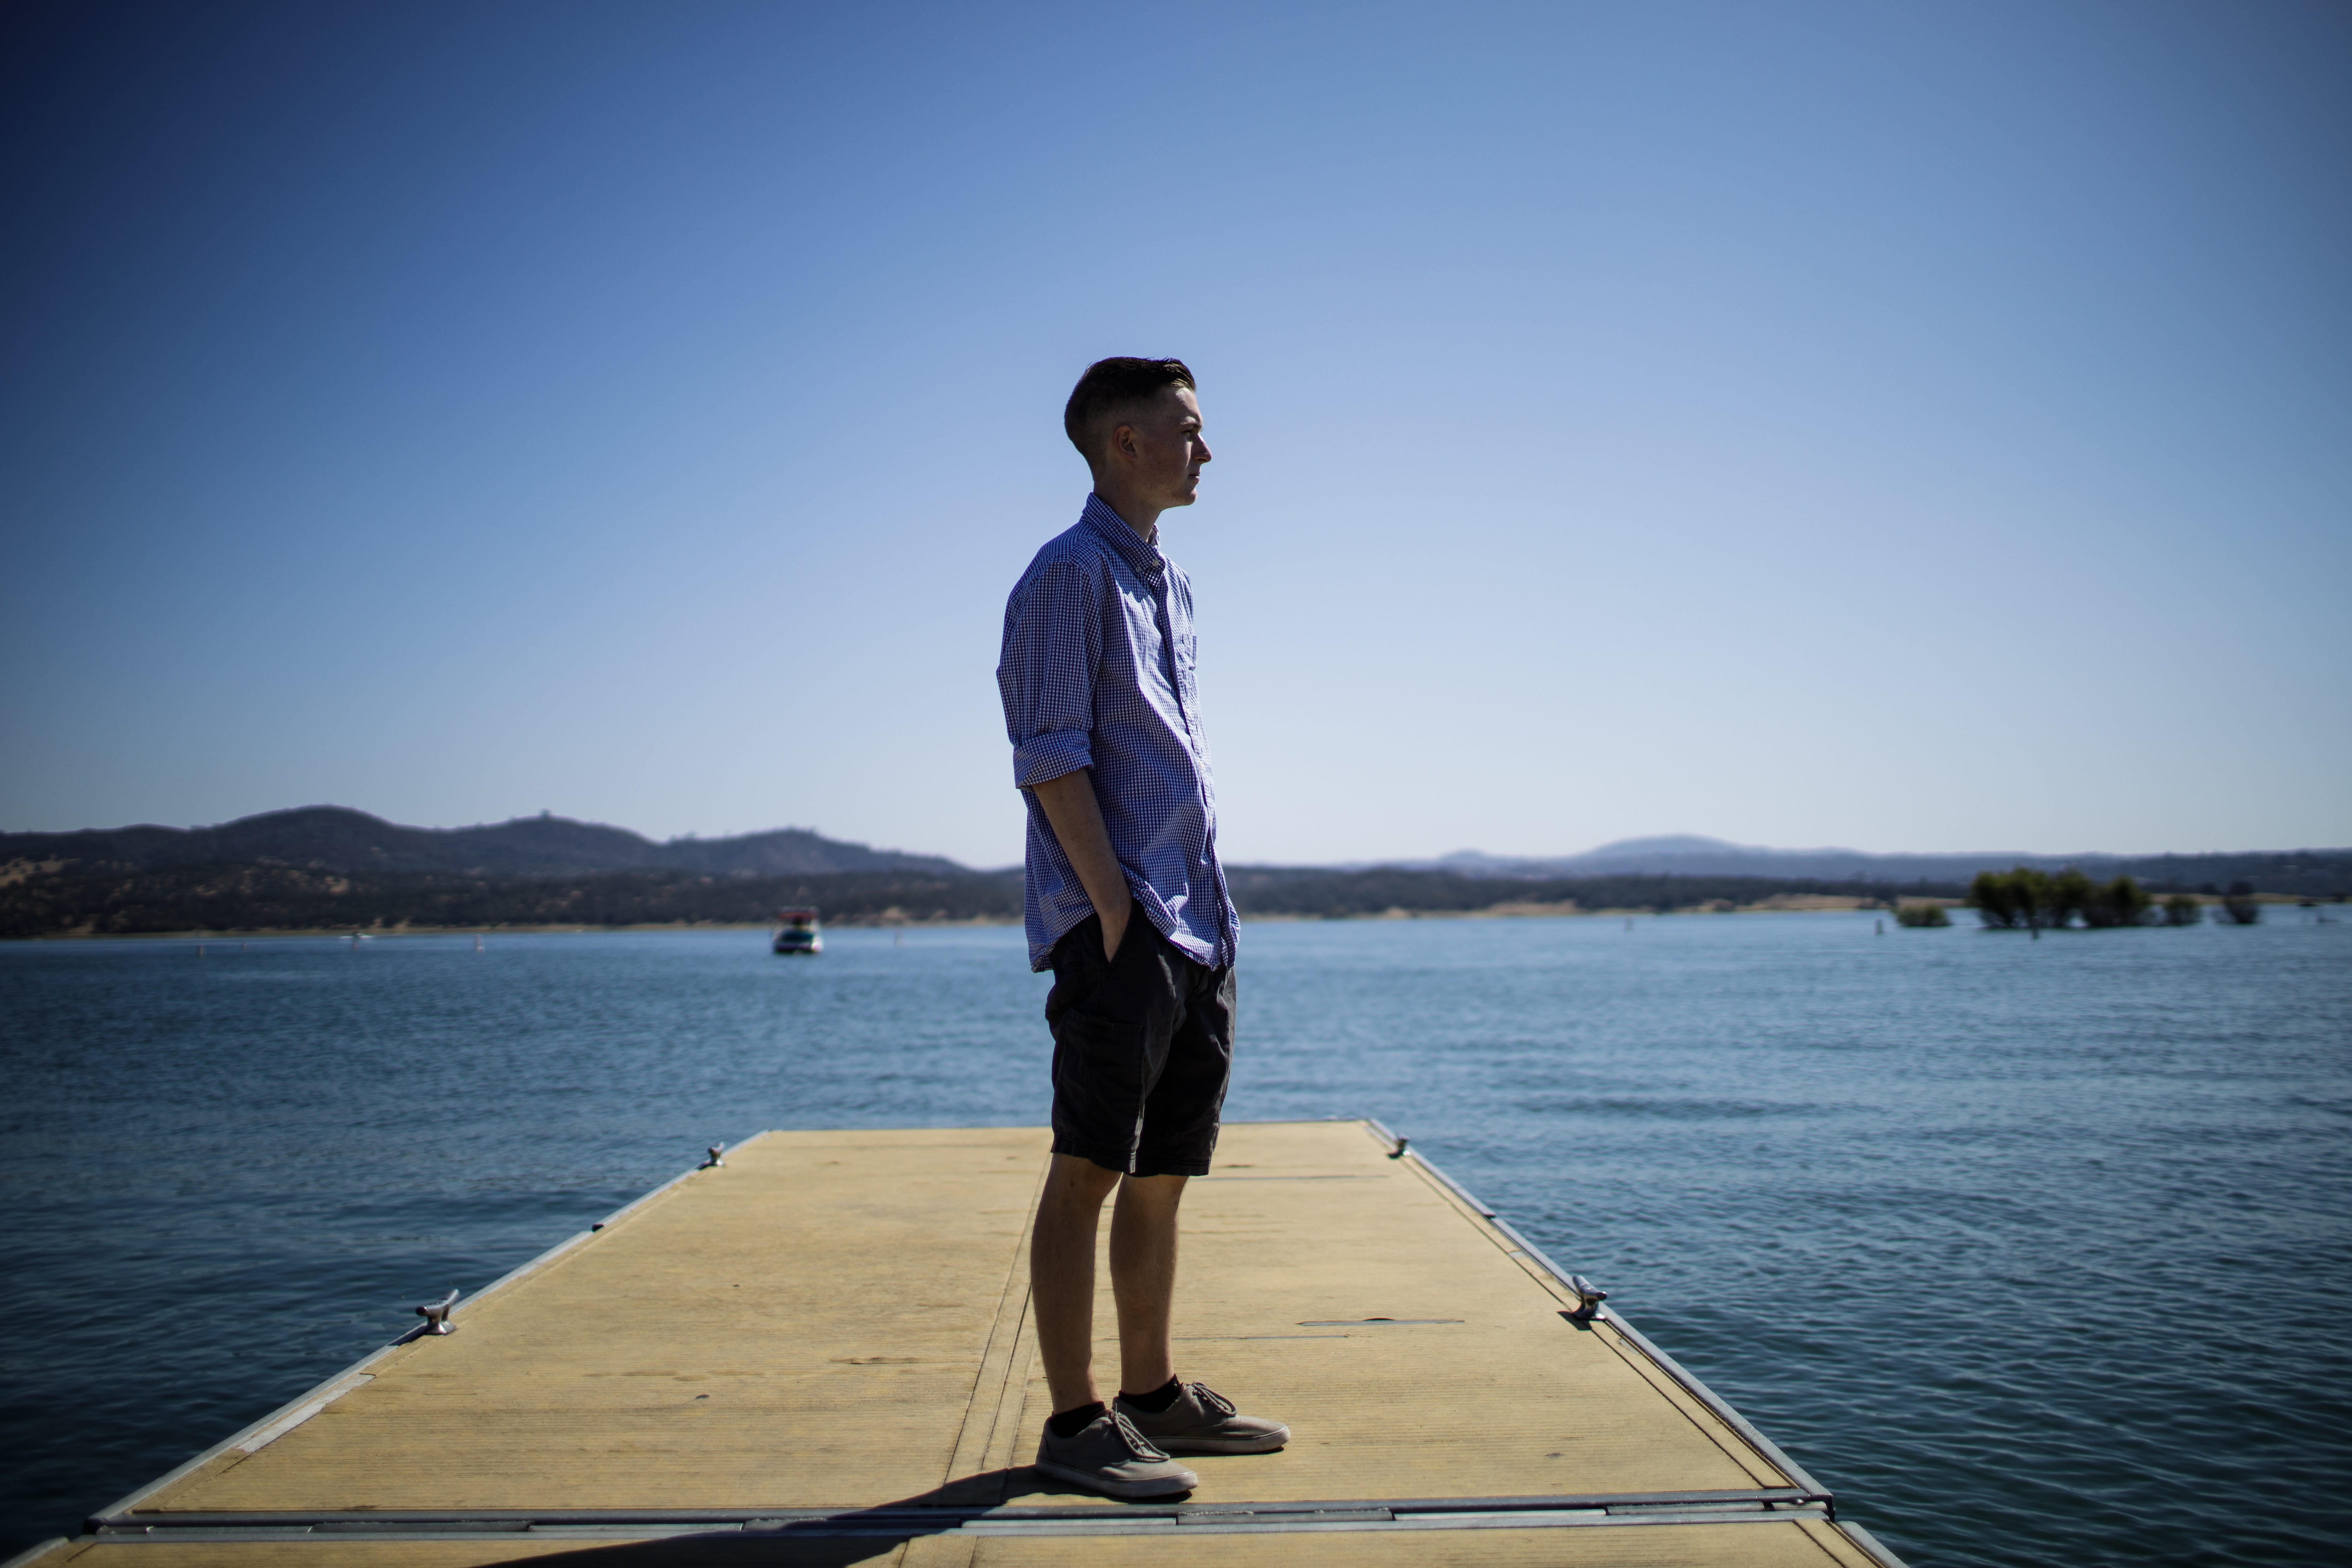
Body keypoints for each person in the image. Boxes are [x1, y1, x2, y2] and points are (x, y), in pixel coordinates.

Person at [995, 357, 1289, 1498]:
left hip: (1194, 921)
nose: (1206, 450)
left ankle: (1153, 1392)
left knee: (1163, 1169)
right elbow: (1048, 755)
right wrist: (1113, 906)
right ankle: (1076, 1424)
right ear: (1126, 441)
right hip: (1121, 924)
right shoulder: (1068, 575)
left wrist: (1194, 916)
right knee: (1088, 1166)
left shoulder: (1170, 585)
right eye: (1188, 428)